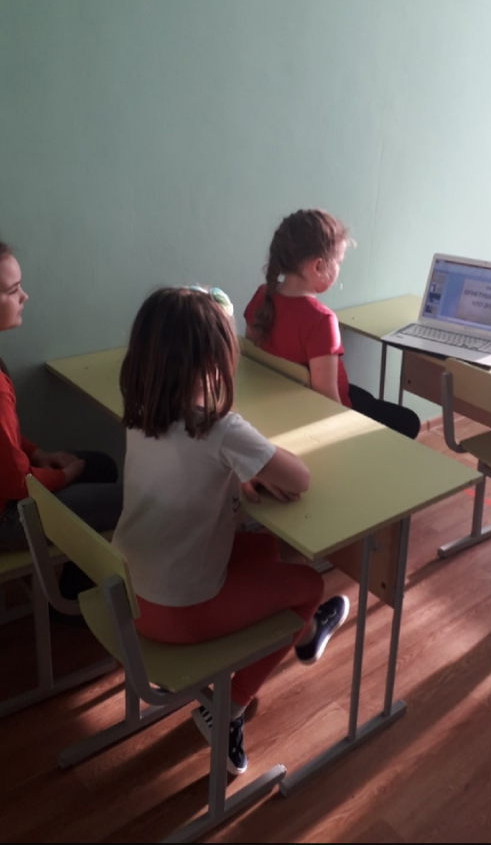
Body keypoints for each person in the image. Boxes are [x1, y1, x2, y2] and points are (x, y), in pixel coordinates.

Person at [111, 285, 349, 776]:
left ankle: (301, 633)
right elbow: (300, 478)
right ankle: (228, 708)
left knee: (263, 548)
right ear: (214, 363)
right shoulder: (219, 429)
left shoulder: (141, 411)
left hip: (129, 592)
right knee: (310, 584)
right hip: (180, 613)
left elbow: (190, 468)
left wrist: (240, 471)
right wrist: (248, 460)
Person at [0, 240, 122, 595]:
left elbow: (5, 443)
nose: (24, 296)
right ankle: (71, 603)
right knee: (130, 503)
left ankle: (74, 586)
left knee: (101, 465)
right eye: (13, 290)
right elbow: (18, 484)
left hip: (10, 490)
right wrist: (65, 475)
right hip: (8, 517)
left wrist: (38, 453)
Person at [244, 208, 421, 439]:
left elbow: (254, 362)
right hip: (322, 416)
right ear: (318, 266)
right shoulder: (321, 320)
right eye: (338, 262)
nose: (338, 270)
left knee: (366, 397)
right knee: (409, 421)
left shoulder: (262, 296)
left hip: (283, 407)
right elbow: (327, 402)